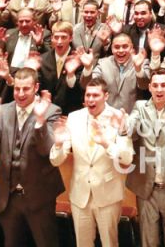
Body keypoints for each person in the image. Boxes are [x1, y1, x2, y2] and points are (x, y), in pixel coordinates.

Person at [0, 67, 63, 247]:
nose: (21, 93)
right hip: (8, 197)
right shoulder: (2, 111)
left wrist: (40, 120)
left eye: (26, 89)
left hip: (39, 195)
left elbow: (46, 150)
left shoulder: (51, 111)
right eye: (17, 89)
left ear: (36, 87)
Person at [51, 77, 134, 247]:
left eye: (95, 95)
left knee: (109, 243)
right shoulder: (74, 118)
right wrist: (58, 144)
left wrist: (107, 143)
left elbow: (127, 159)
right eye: (88, 95)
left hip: (108, 194)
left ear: (106, 96)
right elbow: (56, 160)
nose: (90, 99)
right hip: (80, 194)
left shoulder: (118, 117)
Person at [126, 67, 165, 247]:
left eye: (163, 85)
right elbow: (130, 127)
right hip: (146, 187)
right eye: (155, 85)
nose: (159, 89)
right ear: (150, 88)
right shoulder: (140, 107)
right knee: (148, 241)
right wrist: (123, 127)